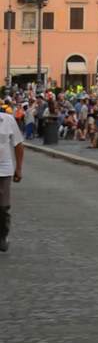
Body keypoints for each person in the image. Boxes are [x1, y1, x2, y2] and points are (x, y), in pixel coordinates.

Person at [0, 97, 23, 252]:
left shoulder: (8, 120)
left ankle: (2, 236)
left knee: (3, 207)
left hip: (4, 169)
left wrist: (19, 168)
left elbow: (18, 144)